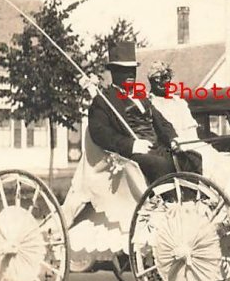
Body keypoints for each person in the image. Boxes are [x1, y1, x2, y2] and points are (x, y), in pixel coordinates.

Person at [84, 41, 201, 183]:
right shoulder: (103, 100)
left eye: (133, 69)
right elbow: (100, 133)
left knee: (192, 158)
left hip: (156, 147)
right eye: (124, 70)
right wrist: (131, 145)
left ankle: (191, 202)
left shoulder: (141, 96)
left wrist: (172, 138)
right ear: (114, 72)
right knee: (160, 164)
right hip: (130, 155)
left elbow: (161, 122)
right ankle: (169, 203)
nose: (130, 74)